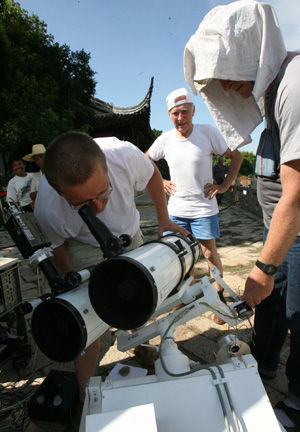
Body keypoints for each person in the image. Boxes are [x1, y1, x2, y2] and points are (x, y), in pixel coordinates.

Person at [183, 1, 300, 429]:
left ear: (253, 49)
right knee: (271, 309)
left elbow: (298, 193)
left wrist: (264, 266)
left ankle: (297, 404)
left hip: (295, 231)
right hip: (279, 231)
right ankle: (264, 367)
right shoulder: (272, 95)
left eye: (227, 69)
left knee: (298, 314)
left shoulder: (295, 85)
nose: (225, 86)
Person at [34, 131, 188, 402]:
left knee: (136, 295)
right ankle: (84, 392)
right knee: (86, 316)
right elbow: (57, 246)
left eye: (103, 192)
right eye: (82, 204)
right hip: (83, 244)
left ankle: (138, 343)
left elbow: (152, 173)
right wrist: (72, 279)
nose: (98, 207)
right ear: (61, 194)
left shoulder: (123, 155)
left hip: (129, 230)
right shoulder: (47, 208)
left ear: (106, 166)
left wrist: (163, 219)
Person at [146, 88, 243, 325]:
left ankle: (218, 298)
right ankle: (184, 296)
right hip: (176, 211)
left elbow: (236, 156)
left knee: (209, 254)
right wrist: (162, 181)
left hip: (203, 210)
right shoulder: (165, 139)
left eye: (184, 112)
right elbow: (146, 158)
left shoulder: (207, 132)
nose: (181, 118)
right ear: (169, 115)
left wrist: (225, 185)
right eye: (175, 113)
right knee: (179, 257)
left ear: (193, 111)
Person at [23, 144, 46, 209]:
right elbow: (32, 194)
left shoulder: (57, 172)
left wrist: (39, 194)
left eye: (41, 157)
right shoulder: (36, 176)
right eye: (36, 159)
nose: (39, 161)